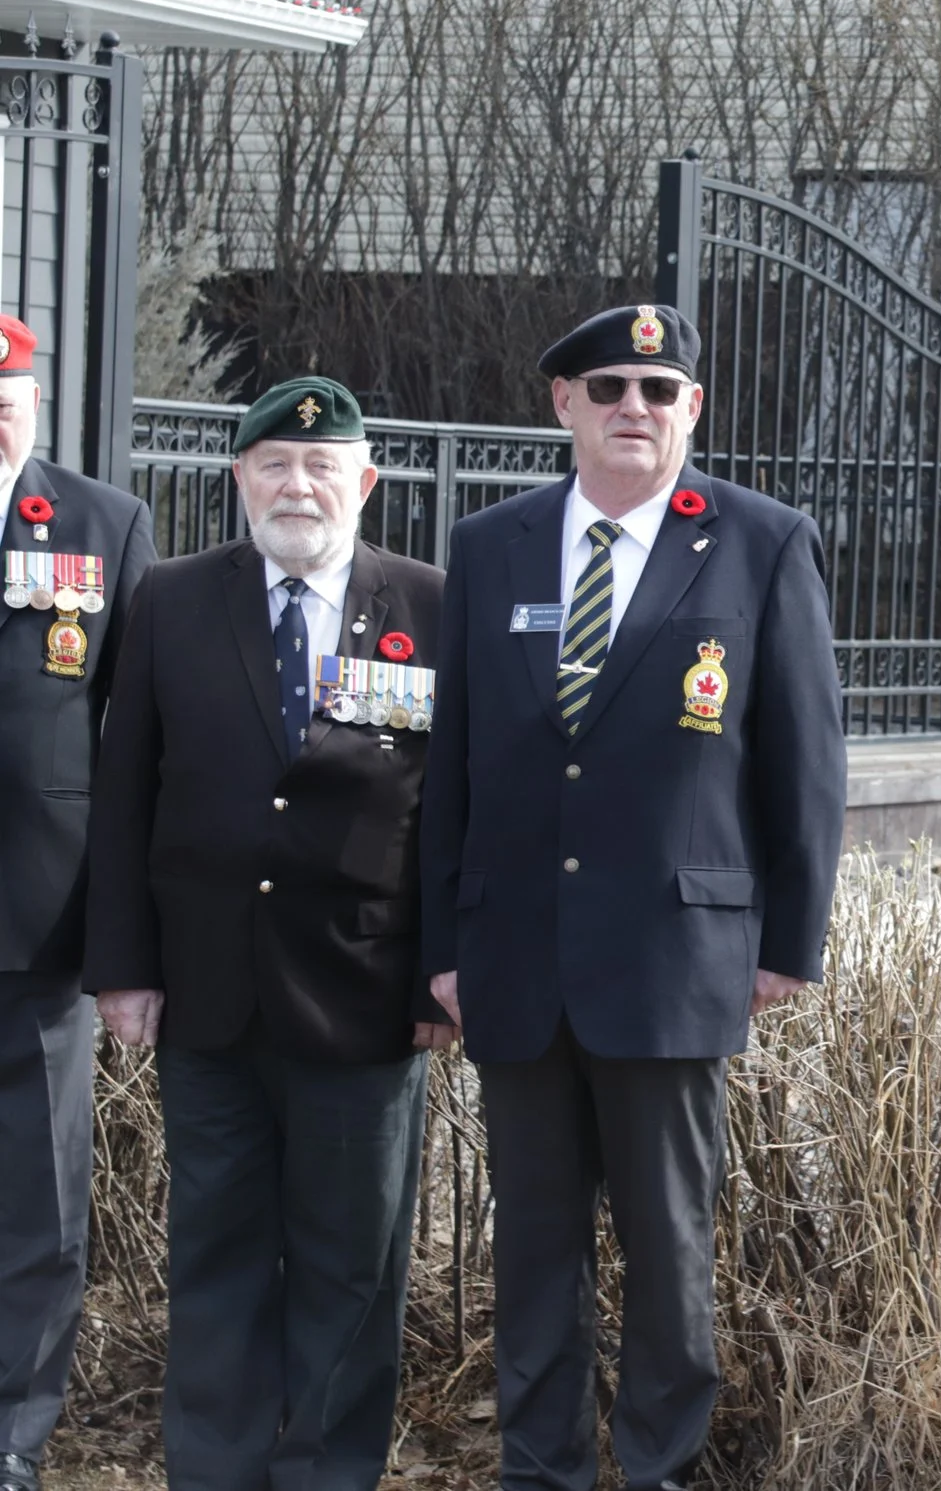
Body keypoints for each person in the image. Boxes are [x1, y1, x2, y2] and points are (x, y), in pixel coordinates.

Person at [419, 304, 846, 1491]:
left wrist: (789, 940)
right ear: (564, 403)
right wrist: (444, 941)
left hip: (673, 956)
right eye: (607, 386)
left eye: (660, 390)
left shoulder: (761, 541)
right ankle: (539, 1470)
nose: (633, 408)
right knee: (533, 1250)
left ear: (692, 409)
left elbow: (805, 760)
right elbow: (453, 764)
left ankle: (657, 1469)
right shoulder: (493, 544)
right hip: (516, 956)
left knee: (668, 1251)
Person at [84, 376, 450, 1491]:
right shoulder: (173, 598)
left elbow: (457, 811)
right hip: (208, 996)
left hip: (365, 999)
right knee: (217, 1256)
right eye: (276, 465)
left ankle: (326, 1473)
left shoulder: (431, 604)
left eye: (323, 465)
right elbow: (124, 792)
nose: (299, 485)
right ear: (240, 477)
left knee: (351, 1268)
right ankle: (216, 1470)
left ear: (364, 481)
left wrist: (439, 979)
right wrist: (124, 968)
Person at [0, 315, 154, 1491]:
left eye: (6, 397)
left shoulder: (102, 525)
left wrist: (122, 935)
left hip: (38, 924)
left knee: (36, 1200)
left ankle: (12, 1431)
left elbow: (137, 739)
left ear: (36, 402)